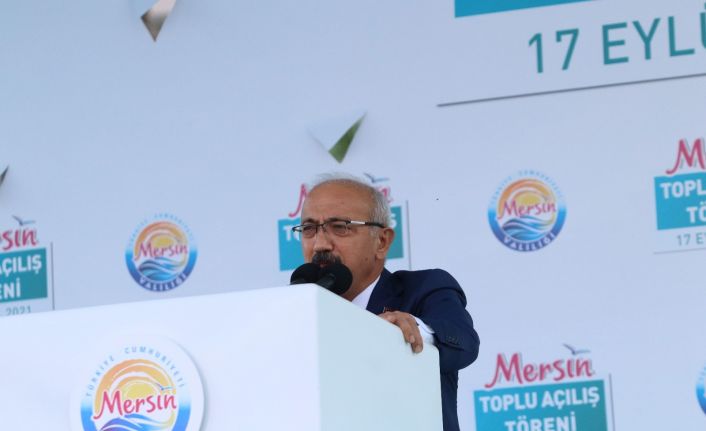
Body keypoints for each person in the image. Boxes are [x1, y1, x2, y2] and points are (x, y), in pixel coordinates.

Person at [293, 173, 480, 431]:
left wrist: (412, 330)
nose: (320, 244)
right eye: (309, 229)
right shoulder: (293, 314)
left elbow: (464, 342)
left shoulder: (423, 289)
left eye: (340, 227)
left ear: (381, 241)